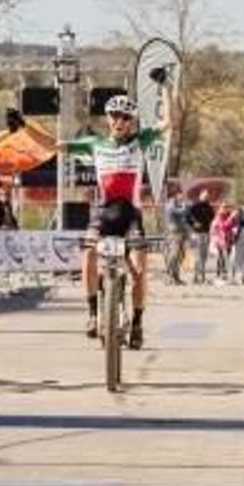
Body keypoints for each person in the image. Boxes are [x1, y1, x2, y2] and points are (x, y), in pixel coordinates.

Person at [64, 93, 175, 349]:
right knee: (89, 254)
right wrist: (24, 130)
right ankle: (92, 314)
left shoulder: (140, 140)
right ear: (108, 118)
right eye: (115, 115)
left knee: (140, 272)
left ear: (132, 121)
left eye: (125, 117)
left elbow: (168, 121)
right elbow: (56, 145)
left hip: (131, 215)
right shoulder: (95, 143)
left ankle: (137, 323)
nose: (120, 120)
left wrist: (165, 88)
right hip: (103, 213)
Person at [162, 186, 191, 285]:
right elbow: (179, 212)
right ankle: (168, 275)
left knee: (181, 255)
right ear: (175, 194)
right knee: (174, 254)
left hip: (182, 232)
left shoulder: (179, 204)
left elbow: (185, 217)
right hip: (173, 234)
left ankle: (176, 276)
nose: (182, 196)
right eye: (180, 194)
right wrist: (185, 206)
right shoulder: (170, 204)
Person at [187, 189, 216, 284]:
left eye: (207, 196)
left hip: (206, 233)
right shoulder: (195, 206)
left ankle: (202, 275)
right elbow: (188, 216)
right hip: (197, 233)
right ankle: (196, 276)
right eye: (204, 196)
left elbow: (213, 216)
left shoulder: (209, 206)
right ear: (200, 196)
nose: (206, 197)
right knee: (198, 255)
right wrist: (193, 224)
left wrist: (208, 224)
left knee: (204, 255)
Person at [210, 201, 238, 283]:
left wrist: (235, 229)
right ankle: (218, 276)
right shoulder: (218, 216)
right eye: (223, 207)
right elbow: (223, 227)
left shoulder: (229, 216)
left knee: (227, 258)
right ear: (220, 208)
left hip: (228, 240)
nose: (225, 208)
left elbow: (234, 226)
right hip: (219, 241)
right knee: (220, 258)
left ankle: (224, 275)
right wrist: (231, 218)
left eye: (226, 207)